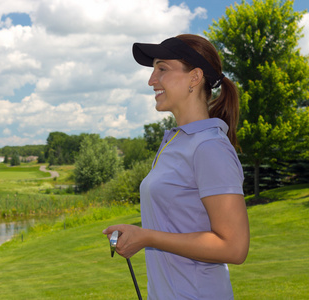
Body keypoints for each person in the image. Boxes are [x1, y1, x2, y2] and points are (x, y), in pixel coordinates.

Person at [103, 34, 250, 299]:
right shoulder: (176, 142)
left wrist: (147, 237)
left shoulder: (209, 147)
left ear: (195, 77)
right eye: (153, 70)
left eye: (162, 69)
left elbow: (234, 247)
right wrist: (139, 234)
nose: (151, 80)